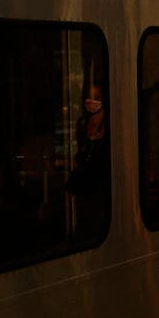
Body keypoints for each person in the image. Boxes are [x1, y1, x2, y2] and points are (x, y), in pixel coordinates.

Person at [68, 83, 110, 237]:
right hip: (86, 181)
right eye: (89, 98)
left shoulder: (109, 122)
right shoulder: (82, 123)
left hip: (102, 180)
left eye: (97, 98)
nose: (92, 102)